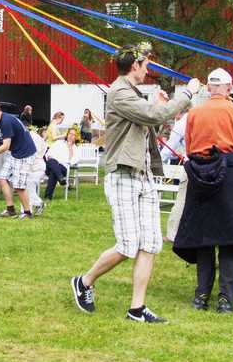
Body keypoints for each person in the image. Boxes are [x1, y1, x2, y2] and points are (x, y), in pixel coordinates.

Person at [72, 42, 201, 324]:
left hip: (142, 176)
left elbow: (148, 120)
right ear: (135, 66)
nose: (148, 70)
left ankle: (137, 308)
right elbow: (152, 116)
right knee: (128, 245)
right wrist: (187, 93)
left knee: (151, 244)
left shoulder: (131, 93)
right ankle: (84, 282)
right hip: (123, 176)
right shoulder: (119, 91)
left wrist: (159, 106)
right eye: (146, 65)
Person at [174, 68, 233, 314]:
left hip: (200, 172)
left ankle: (201, 296)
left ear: (209, 88)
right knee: (229, 238)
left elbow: (188, 147)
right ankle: (226, 300)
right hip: (229, 171)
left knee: (204, 237)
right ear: (229, 88)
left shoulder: (195, 112)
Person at [0, 100, 38, 219]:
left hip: (24, 154)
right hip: (14, 153)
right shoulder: (1, 121)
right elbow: (6, 144)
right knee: (2, 179)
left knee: (19, 186)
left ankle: (27, 213)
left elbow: (5, 145)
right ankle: (10, 210)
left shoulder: (5, 121)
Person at [44, 128, 80, 200]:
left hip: (63, 168)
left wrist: (70, 148)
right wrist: (52, 159)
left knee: (53, 172)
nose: (71, 136)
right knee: (52, 161)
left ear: (76, 138)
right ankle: (61, 178)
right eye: (70, 134)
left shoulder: (76, 149)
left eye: (73, 135)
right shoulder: (58, 143)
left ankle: (48, 196)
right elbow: (48, 154)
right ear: (67, 134)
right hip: (50, 165)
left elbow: (72, 161)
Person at [26, 127, 48, 215]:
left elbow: (34, 154)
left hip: (37, 167)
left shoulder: (34, 138)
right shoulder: (32, 137)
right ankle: (37, 205)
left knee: (28, 188)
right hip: (34, 167)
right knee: (27, 188)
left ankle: (30, 209)